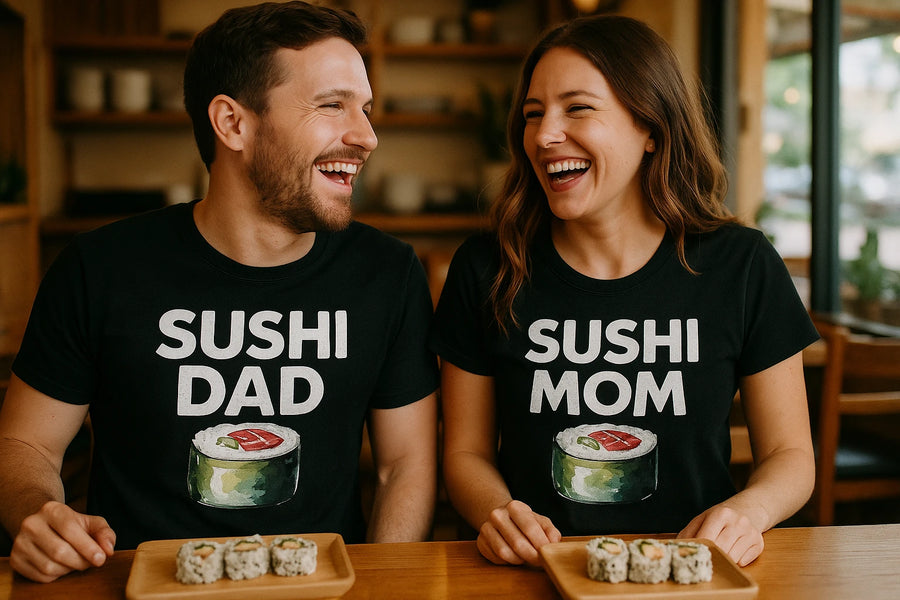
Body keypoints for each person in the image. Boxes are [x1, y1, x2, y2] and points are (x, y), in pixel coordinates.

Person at [0, 1, 439, 583]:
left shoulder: (388, 272)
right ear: (233, 123)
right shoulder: (99, 267)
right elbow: (25, 446)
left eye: (365, 109)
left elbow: (404, 465)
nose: (367, 136)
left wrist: (381, 585)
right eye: (332, 106)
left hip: (316, 588)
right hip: (136, 589)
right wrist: (38, 513)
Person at [429, 14, 817, 569]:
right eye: (533, 115)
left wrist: (748, 512)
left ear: (651, 128)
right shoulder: (486, 267)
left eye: (578, 108)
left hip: (690, 571)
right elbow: (464, 453)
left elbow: (790, 455)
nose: (543, 136)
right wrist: (499, 512)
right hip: (537, 573)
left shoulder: (742, 264)